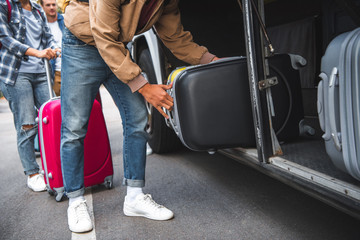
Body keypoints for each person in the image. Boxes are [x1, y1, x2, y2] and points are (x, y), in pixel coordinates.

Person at [60, 0, 219, 233]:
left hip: (116, 48)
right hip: (81, 45)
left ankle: (134, 197)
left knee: (136, 118)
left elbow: (175, 37)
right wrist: (144, 87)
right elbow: (103, 35)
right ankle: (75, 200)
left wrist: (212, 60)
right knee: (74, 127)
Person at [0, 0, 60, 191]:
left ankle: (56, 166)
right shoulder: (4, 6)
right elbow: (5, 39)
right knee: (27, 124)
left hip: (41, 72)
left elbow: (47, 36)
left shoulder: (36, 9)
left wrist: (53, 48)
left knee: (53, 119)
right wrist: (37, 53)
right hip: (17, 74)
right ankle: (33, 173)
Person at [40, 0, 64, 96]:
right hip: (54, 72)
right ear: (42, 6)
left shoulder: (66, 20)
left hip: (70, 68)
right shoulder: (40, 25)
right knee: (57, 104)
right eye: (48, 5)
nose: (51, 7)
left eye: (53, 4)